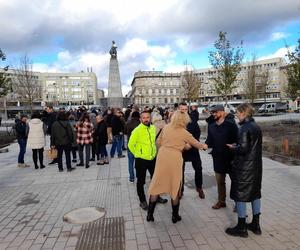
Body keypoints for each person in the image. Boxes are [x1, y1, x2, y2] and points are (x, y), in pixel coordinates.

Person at [147, 111, 207, 223]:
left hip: (162, 156)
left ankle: (150, 215)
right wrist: (204, 146)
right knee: (175, 186)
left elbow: (158, 142)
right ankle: (175, 216)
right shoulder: (184, 132)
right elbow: (196, 143)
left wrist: (168, 146)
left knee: (156, 183)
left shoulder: (166, 127)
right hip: (175, 158)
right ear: (185, 120)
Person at [225, 104, 263, 238]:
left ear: (243, 113)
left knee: (240, 195)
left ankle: (241, 228)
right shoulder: (256, 127)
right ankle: (256, 225)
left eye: (237, 113)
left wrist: (233, 147)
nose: (236, 115)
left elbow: (243, 149)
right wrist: (239, 146)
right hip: (256, 168)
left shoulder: (244, 128)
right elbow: (252, 147)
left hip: (244, 168)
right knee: (255, 194)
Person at [128, 111, 168, 211]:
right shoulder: (137, 130)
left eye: (147, 117)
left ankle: (156, 196)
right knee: (141, 181)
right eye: (144, 118)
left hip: (152, 158)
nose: (146, 119)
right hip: (141, 160)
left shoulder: (153, 128)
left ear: (150, 118)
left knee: (155, 179)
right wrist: (138, 154)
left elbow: (154, 141)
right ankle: (142, 201)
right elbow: (130, 145)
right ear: (141, 119)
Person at [205, 104, 238, 209]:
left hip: (231, 159)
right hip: (218, 158)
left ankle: (238, 203)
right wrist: (203, 145)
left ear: (222, 112)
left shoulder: (231, 125)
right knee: (220, 182)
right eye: (212, 112)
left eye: (215, 112)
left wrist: (234, 146)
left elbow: (238, 140)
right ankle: (221, 201)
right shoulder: (211, 126)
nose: (213, 114)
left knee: (235, 181)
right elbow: (209, 141)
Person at [182, 103, 205, 199]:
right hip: (182, 149)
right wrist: (183, 145)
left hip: (193, 149)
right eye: (181, 109)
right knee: (180, 171)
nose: (183, 110)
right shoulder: (176, 122)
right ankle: (180, 190)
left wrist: (191, 144)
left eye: (185, 109)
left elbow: (197, 135)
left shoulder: (193, 121)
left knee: (198, 168)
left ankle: (199, 187)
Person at [124, 111, 140, 182]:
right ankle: (138, 176)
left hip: (130, 145)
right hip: (138, 146)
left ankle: (131, 178)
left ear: (132, 116)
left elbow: (124, 132)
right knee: (138, 162)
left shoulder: (128, 123)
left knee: (130, 162)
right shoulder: (140, 124)